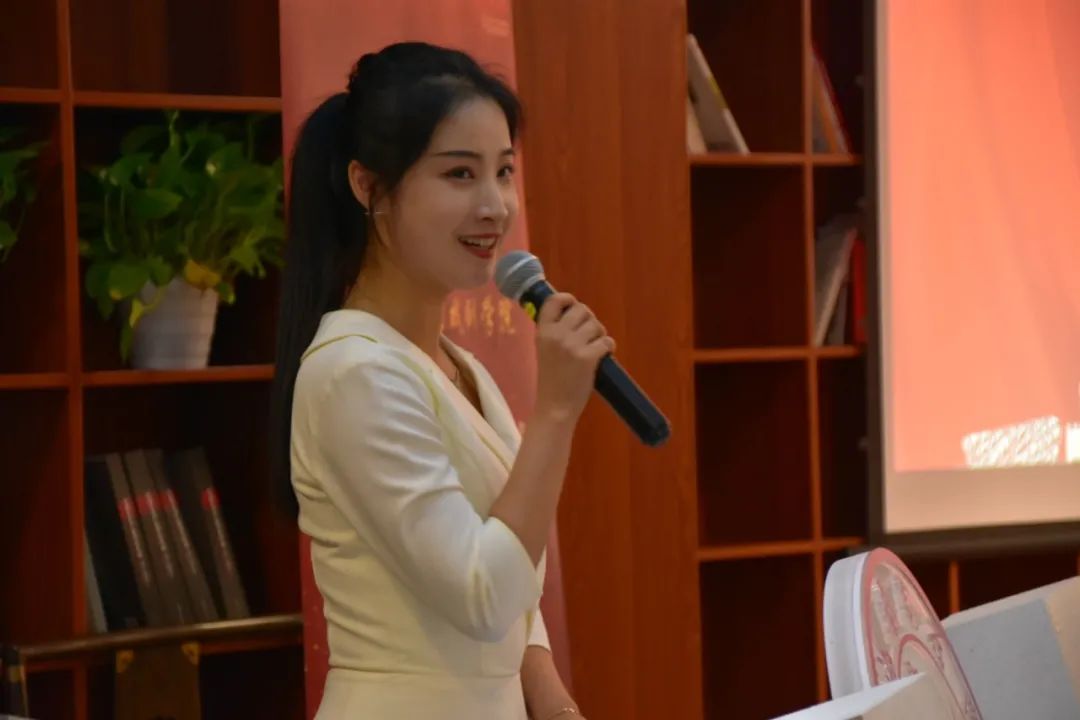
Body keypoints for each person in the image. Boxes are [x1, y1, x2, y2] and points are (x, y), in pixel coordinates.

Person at [270, 42, 611, 719]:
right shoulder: (354, 374)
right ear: (368, 186)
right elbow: (483, 593)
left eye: (504, 172)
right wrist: (554, 412)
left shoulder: (458, 367)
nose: (495, 206)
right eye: (459, 174)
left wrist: (551, 698)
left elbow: (514, 574)